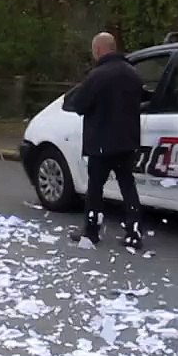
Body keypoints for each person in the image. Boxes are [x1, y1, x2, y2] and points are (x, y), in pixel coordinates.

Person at [62, 32, 146, 249]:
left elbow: (80, 105)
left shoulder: (97, 76)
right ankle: (133, 232)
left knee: (95, 189)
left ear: (98, 50)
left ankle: (91, 232)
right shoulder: (133, 73)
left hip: (101, 143)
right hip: (127, 141)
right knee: (127, 185)